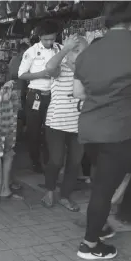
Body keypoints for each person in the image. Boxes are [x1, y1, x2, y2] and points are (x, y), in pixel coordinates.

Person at [73, 2, 131, 259]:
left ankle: (101, 225)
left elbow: (78, 93)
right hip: (118, 130)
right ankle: (89, 244)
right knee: (104, 189)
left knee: (101, 181)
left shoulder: (89, 52)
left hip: (90, 128)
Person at [40, 35, 87, 211]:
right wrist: (66, 49)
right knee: (56, 160)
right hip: (57, 123)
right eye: (76, 51)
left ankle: (65, 196)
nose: (79, 55)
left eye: (82, 51)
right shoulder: (60, 68)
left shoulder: (87, 72)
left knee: (75, 163)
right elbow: (49, 66)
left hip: (80, 125)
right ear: (69, 52)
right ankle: (50, 191)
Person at [18, 20, 61, 173]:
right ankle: (35, 161)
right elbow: (21, 75)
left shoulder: (60, 50)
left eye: (52, 38)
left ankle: (50, 160)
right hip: (35, 95)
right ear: (40, 37)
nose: (49, 42)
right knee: (34, 130)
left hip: (54, 96)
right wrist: (42, 74)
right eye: (46, 39)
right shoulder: (31, 52)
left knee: (52, 129)